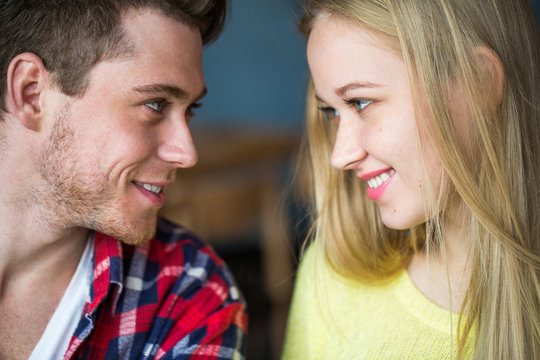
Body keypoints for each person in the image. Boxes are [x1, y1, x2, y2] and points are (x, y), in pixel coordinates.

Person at [283, 0, 539, 359]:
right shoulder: (331, 272)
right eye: (332, 112)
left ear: (478, 83)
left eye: (360, 102)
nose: (339, 156)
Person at [0, 0, 247, 359]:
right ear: (32, 93)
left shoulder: (187, 291)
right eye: (156, 104)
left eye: (189, 111)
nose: (187, 153)